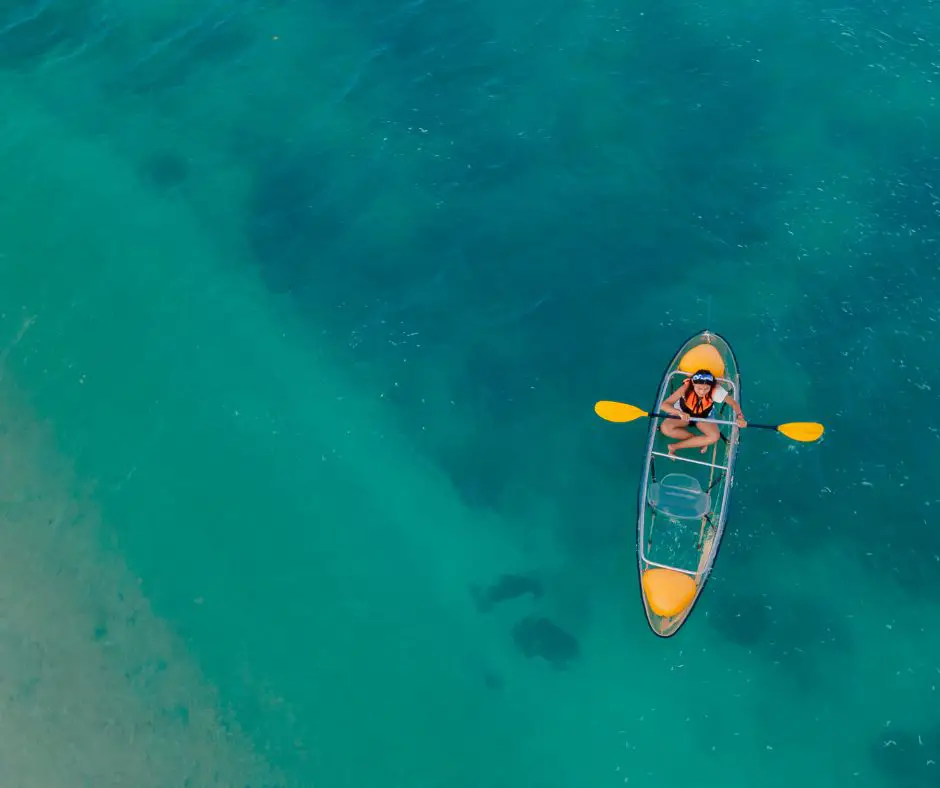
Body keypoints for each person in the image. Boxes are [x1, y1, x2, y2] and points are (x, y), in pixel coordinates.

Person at [660, 369, 747, 456]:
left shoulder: (716, 390)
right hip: (684, 413)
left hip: (703, 417)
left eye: (706, 388)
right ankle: (698, 441)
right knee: (665, 428)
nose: (702, 392)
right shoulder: (685, 388)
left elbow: (733, 403)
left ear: (711, 386)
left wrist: (740, 417)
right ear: (693, 384)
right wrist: (678, 412)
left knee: (714, 437)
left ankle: (674, 447)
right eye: (699, 388)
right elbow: (664, 405)